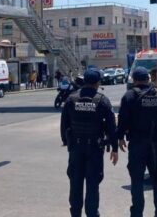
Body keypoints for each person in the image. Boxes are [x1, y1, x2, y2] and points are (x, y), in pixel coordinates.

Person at [60, 68, 118, 217]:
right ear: (98, 82)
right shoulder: (102, 100)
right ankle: (92, 214)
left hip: (76, 148)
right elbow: (111, 126)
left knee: (75, 183)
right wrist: (115, 148)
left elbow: (64, 124)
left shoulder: (71, 99)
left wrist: (67, 142)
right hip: (94, 148)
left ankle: (75, 213)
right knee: (92, 184)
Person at [117, 66, 157, 217]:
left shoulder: (129, 96)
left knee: (136, 181)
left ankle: (137, 213)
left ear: (134, 80)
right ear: (148, 79)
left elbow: (123, 120)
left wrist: (119, 138)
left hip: (137, 143)